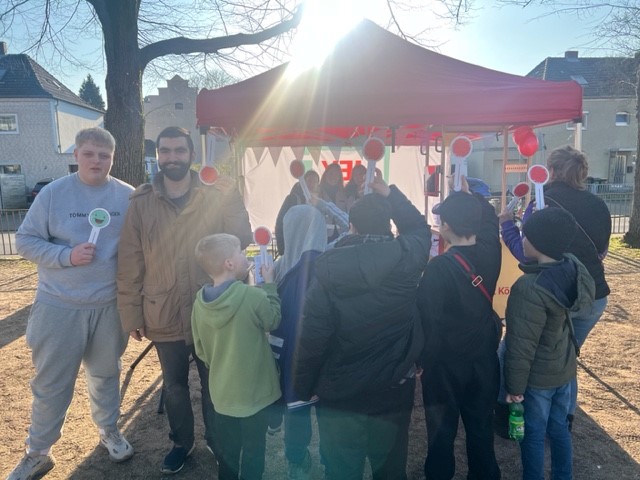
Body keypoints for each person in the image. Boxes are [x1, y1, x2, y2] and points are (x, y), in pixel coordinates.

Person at [117, 126, 252, 474]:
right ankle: (182, 443)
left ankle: (219, 443)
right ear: (158, 155)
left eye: (179, 150)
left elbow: (240, 238)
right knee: (174, 387)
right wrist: (131, 313)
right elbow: (131, 259)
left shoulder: (214, 194)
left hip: (211, 310)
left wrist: (233, 196)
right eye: (166, 151)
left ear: (192, 154)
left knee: (215, 384)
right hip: (163, 311)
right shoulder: (141, 202)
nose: (172, 157)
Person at [9, 127, 134, 480]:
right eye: (90, 153)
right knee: (51, 382)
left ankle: (109, 430)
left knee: (106, 374)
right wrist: (66, 256)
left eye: (104, 155)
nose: (97, 161)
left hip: (108, 306)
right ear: (76, 155)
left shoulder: (127, 196)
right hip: (58, 306)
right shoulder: (53, 194)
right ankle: (38, 451)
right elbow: (25, 241)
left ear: (113, 158)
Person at [294, 175, 430, 480]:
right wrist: (391, 194)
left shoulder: (329, 269)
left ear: (351, 226)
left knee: (342, 469)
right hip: (394, 386)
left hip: (341, 391)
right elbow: (419, 228)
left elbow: (313, 337)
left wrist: (302, 388)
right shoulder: (408, 258)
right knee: (391, 468)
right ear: (389, 227)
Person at [500, 145, 611, 429]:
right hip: (592, 294)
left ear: (550, 171)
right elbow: (601, 251)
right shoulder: (598, 205)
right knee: (567, 356)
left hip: (551, 294)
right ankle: (563, 418)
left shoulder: (541, 201)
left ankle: (506, 408)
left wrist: (507, 227)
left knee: (512, 349)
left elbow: (527, 251)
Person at [418, 177, 502, 480]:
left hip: (445, 366)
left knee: (441, 435)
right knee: (481, 430)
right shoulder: (491, 252)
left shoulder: (439, 267)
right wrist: (475, 199)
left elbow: (428, 321)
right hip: (483, 360)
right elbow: (490, 225)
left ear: (447, 227)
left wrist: (421, 362)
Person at [504, 207, 595, 480]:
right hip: (564, 370)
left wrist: (515, 388)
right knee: (558, 429)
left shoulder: (529, 289)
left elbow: (521, 346)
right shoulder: (572, 267)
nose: (521, 239)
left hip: (538, 379)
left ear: (539, 242)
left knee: (533, 434)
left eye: (525, 235)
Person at [191, 233, 281, 480]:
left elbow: (200, 349)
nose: (245, 256)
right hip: (255, 395)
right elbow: (272, 320)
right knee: (254, 452)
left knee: (228, 453)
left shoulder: (199, 304)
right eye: (241, 252)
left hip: (222, 394)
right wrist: (270, 285)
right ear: (229, 263)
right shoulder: (253, 297)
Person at [271, 205, 327, 479]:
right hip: (325, 355)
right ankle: (331, 460)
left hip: (290, 354)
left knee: (297, 411)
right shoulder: (329, 264)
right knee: (328, 412)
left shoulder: (279, 266)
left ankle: (296, 459)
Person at [275, 170, 320, 256]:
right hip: (292, 246)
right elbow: (280, 222)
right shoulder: (292, 199)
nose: (312, 184)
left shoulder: (319, 203)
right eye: (309, 181)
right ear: (303, 182)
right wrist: (282, 247)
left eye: (315, 182)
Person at [319, 163, 348, 242]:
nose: (333, 176)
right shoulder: (318, 192)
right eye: (331, 173)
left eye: (336, 174)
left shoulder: (344, 193)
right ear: (325, 175)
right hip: (322, 235)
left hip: (342, 235)